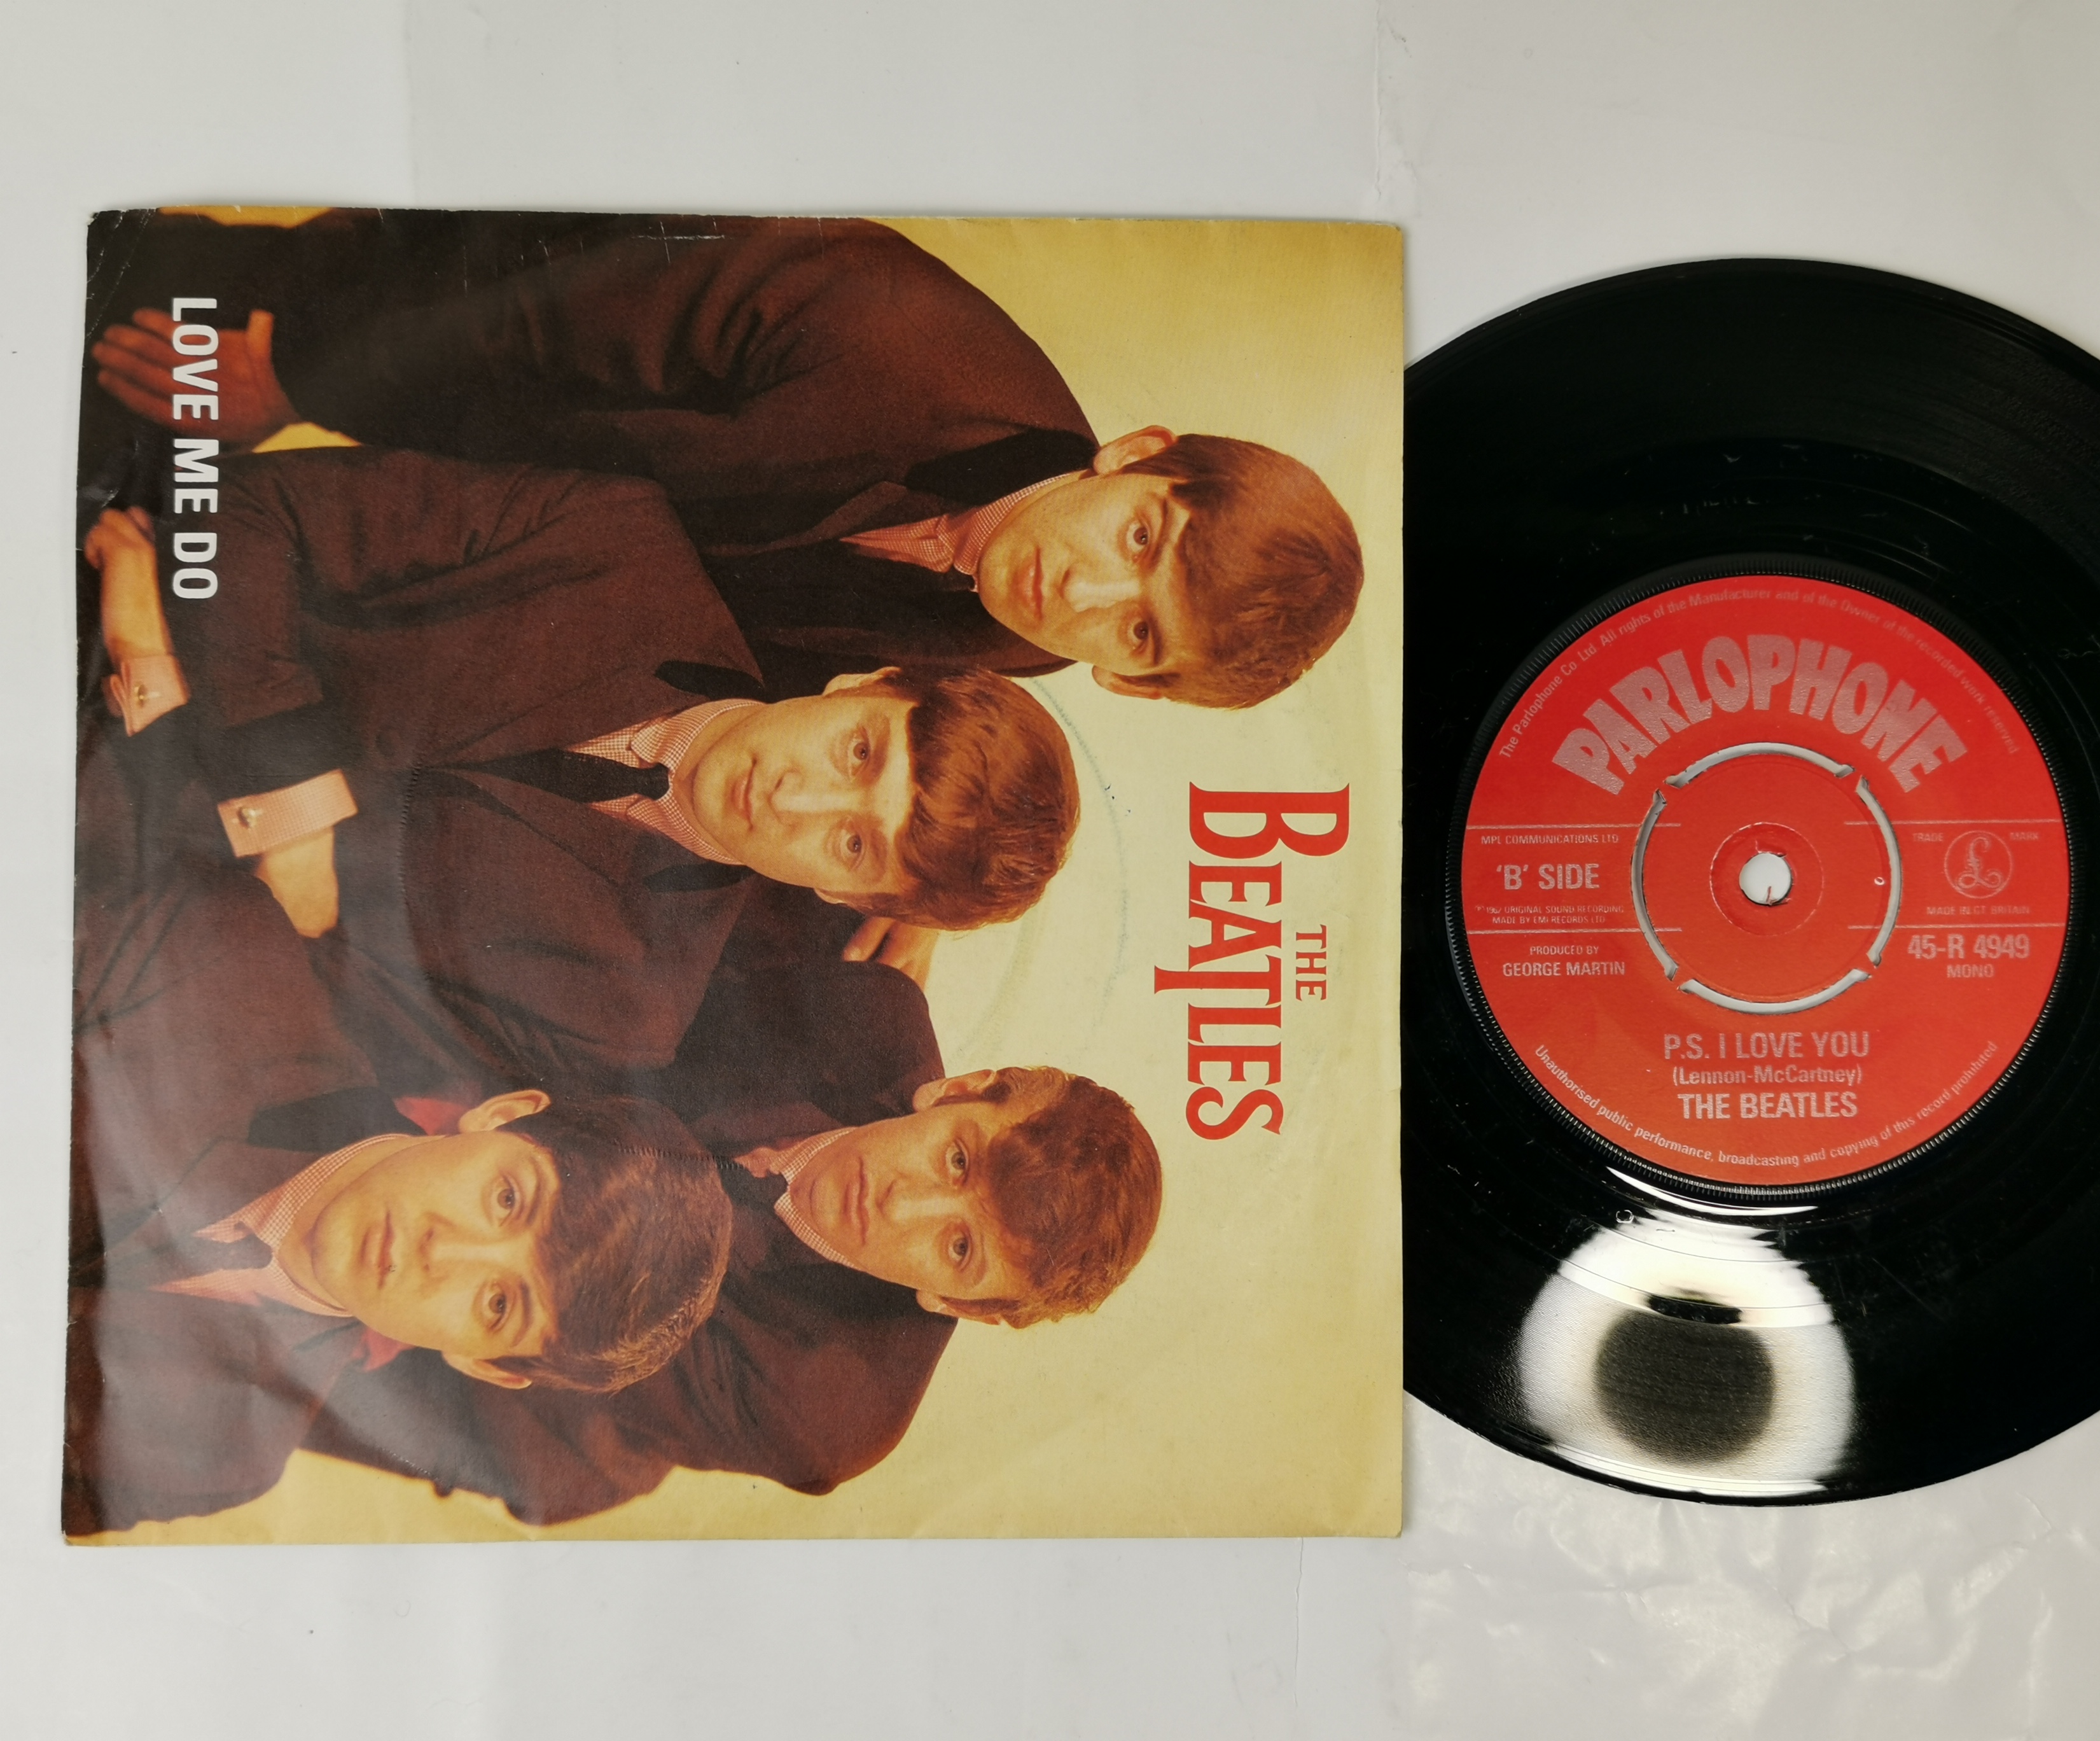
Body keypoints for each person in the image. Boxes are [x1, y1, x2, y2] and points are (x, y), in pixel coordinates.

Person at [79, 445, 1078, 1089]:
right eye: (860, 751)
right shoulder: (616, 543)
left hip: (94, 910)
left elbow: (298, 1012)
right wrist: (286, 809)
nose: (798, 796)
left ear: (842, 895)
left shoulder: (625, 1017)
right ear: (867, 682)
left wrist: (158, 681)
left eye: (854, 844)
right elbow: (246, 507)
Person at [90, 213, 1364, 707]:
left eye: (1137, 631)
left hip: (409, 509)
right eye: (1139, 539)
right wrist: (295, 374)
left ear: (1130, 680)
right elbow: (530, 313)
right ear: (1135, 457)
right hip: (369, 312)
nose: (1082, 593)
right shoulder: (884, 328)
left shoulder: (1021, 639)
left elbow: (777, 655)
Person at [66, 722, 734, 1535]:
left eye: (497, 1303)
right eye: (507, 1200)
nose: (440, 1252)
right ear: (502, 1116)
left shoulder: (231, 1454)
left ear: (481, 1365)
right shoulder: (220, 963)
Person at [308, 972, 1165, 1525]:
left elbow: (585, 1343)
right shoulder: (864, 1011)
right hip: (502, 1129)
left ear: (957, 1306)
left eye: (957, 1247)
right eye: (957, 1160)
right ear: (959, 1091)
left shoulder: (834, 1411)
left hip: (529, 1396)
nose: (900, 1201)